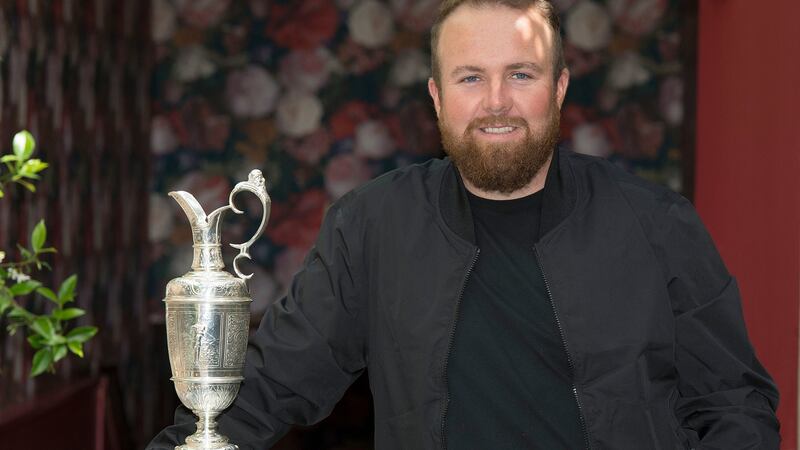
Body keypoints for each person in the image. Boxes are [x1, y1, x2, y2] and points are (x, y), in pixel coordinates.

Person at [149, 0, 780, 448]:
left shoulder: (658, 224)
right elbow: (269, 385)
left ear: (559, 89)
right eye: (471, 77)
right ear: (436, 97)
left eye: (522, 74)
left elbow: (735, 406)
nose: (497, 101)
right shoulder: (373, 225)